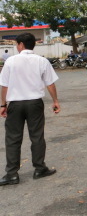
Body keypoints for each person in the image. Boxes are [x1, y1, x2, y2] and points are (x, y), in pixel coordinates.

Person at [0, 33, 60, 186]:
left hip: (15, 104)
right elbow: (50, 84)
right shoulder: (42, 61)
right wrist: (55, 101)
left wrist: (3, 105)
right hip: (35, 104)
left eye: (16, 44)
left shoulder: (10, 62)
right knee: (37, 136)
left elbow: (4, 85)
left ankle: (12, 174)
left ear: (20, 44)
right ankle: (39, 168)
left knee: (13, 138)